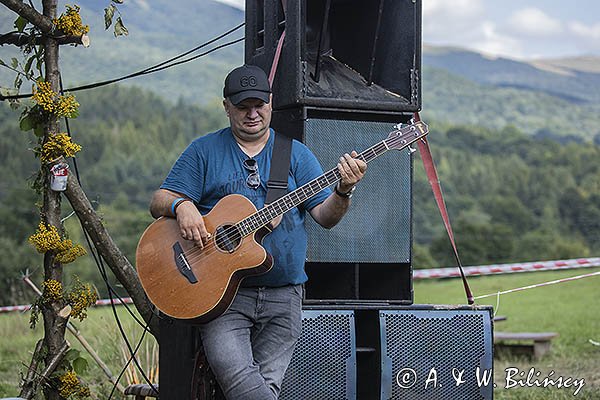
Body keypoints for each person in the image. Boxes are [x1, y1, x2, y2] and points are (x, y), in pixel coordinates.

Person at [149, 64, 367, 400]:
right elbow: (160, 199)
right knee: (241, 383)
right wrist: (182, 207)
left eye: (259, 105)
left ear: (270, 103)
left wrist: (344, 191)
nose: (252, 114)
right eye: (242, 107)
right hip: (223, 296)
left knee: (266, 387)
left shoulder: (294, 154)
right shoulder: (204, 151)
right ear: (226, 107)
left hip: (285, 294)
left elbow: (326, 217)